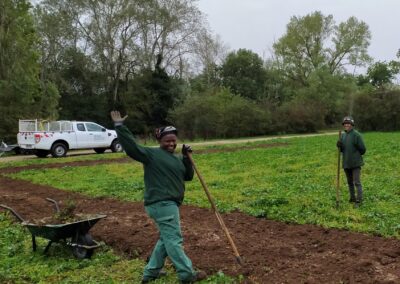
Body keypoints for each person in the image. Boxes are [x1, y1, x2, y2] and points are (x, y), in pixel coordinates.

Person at [110, 111, 207, 283]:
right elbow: (132, 148)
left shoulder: (176, 159)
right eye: (167, 141)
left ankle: (150, 274)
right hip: (162, 203)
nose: (171, 143)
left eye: (173, 140)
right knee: (174, 240)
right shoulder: (151, 155)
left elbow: (188, 176)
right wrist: (120, 127)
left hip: (168, 204)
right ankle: (187, 274)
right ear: (159, 141)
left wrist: (186, 158)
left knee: (166, 239)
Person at [336, 116, 366, 207]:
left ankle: (359, 200)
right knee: (349, 182)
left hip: (355, 163)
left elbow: (363, 149)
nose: (346, 125)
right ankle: (352, 197)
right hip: (346, 162)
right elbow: (342, 150)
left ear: (352, 125)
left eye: (348, 123)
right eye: (345, 124)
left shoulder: (356, 135)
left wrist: (355, 155)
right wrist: (339, 146)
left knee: (357, 182)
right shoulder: (343, 135)